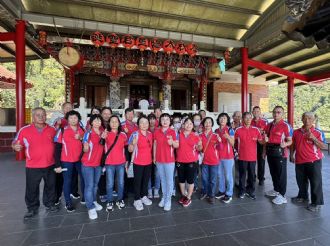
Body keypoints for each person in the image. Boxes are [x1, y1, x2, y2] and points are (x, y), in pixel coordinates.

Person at [12, 107, 58, 219]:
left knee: (51, 186)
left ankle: (50, 204)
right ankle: (32, 208)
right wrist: (15, 146)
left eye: (43, 114)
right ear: (33, 117)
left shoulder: (52, 129)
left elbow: (58, 145)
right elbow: (15, 142)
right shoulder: (24, 130)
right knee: (32, 188)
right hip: (33, 165)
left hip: (50, 164)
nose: (41, 117)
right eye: (38, 115)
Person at [291, 112, 326, 212]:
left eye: (310, 118)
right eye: (305, 118)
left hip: (313, 161)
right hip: (299, 160)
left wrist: (313, 138)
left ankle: (317, 203)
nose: (307, 120)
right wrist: (291, 155)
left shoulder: (318, 132)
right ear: (302, 119)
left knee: (315, 183)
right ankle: (303, 196)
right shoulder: (296, 132)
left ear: (313, 120)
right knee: (301, 181)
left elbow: (324, 147)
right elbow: (293, 144)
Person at [54, 110, 85, 212]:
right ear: (67, 119)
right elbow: (57, 148)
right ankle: (68, 202)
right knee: (67, 181)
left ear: (78, 119)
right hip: (66, 160)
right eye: (71, 118)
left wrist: (80, 138)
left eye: (75, 118)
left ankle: (85, 197)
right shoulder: (62, 130)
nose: (73, 120)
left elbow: (86, 143)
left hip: (80, 160)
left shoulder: (82, 130)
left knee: (84, 178)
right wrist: (57, 164)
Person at [264, 106, 293, 205]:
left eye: (279, 112)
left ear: (282, 114)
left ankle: (282, 195)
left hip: (280, 153)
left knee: (281, 175)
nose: (276, 114)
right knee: (273, 172)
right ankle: (276, 190)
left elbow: (290, 141)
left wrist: (285, 144)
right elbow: (265, 139)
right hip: (270, 151)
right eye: (274, 112)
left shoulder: (285, 126)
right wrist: (264, 152)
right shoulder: (269, 125)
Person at [234, 112, 264, 200]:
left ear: (251, 119)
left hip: (252, 157)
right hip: (242, 157)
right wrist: (235, 153)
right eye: (246, 118)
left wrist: (265, 140)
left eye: (249, 118)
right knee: (242, 175)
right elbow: (233, 142)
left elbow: (260, 141)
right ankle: (242, 191)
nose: (248, 120)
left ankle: (251, 191)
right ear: (243, 119)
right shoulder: (238, 130)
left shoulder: (256, 130)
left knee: (252, 175)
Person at [153, 113, 179, 211]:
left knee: (169, 181)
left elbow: (177, 145)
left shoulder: (173, 132)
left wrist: (172, 142)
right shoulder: (156, 132)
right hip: (159, 160)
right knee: (162, 180)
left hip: (169, 160)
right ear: (160, 121)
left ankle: (168, 200)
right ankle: (164, 197)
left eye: (167, 119)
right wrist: (154, 157)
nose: (165, 121)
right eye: (163, 119)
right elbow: (155, 145)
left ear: (170, 121)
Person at [81, 114, 104, 220]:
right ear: (91, 123)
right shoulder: (88, 133)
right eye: (95, 120)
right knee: (89, 186)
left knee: (95, 185)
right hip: (88, 164)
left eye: (99, 120)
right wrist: (85, 147)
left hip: (98, 164)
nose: (97, 122)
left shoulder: (103, 133)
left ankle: (93, 201)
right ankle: (90, 207)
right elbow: (85, 148)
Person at [128, 116, 153, 211]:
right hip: (138, 162)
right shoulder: (135, 134)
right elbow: (130, 149)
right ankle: (137, 199)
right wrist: (133, 144)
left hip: (148, 162)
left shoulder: (150, 134)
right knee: (137, 182)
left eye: (146, 122)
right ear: (138, 124)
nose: (144, 124)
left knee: (146, 181)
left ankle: (143, 196)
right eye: (142, 122)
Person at [102, 115, 127, 212]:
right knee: (109, 184)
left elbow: (126, 149)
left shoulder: (123, 135)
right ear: (109, 123)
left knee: (120, 183)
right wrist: (103, 137)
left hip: (121, 162)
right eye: (112, 121)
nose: (114, 123)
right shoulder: (106, 133)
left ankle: (120, 200)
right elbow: (100, 145)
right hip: (109, 163)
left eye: (116, 121)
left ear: (119, 123)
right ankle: (109, 201)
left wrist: (127, 162)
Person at [176, 118, 202, 207]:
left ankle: (189, 197)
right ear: (183, 125)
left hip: (192, 161)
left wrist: (200, 146)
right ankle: (183, 195)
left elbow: (199, 148)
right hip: (180, 160)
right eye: (186, 123)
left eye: (190, 123)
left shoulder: (195, 135)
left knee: (190, 180)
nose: (188, 125)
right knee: (181, 179)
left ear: (193, 125)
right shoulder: (178, 134)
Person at [200, 117, 221, 204]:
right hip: (204, 160)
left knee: (212, 179)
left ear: (212, 124)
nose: (207, 124)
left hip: (214, 161)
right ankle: (205, 192)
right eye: (206, 122)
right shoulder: (200, 135)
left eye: (209, 122)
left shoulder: (216, 135)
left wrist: (219, 142)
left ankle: (211, 195)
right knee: (204, 178)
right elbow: (198, 148)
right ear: (203, 124)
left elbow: (220, 148)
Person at [215, 113, 235, 203]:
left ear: (227, 120)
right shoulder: (216, 130)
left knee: (228, 176)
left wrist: (228, 137)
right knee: (220, 175)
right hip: (218, 157)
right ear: (218, 120)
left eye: (224, 118)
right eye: (221, 118)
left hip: (228, 157)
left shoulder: (230, 130)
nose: (222, 120)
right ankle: (221, 191)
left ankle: (229, 194)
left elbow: (233, 144)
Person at [122, 108, 139, 198]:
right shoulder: (122, 125)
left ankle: (132, 187)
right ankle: (125, 190)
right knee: (126, 168)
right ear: (125, 115)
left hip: (135, 150)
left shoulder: (136, 126)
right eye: (128, 114)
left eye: (132, 114)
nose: (130, 115)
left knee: (134, 167)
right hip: (125, 149)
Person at [98, 106, 112, 202]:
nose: (107, 115)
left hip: (110, 153)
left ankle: (110, 190)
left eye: (108, 114)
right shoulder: (97, 124)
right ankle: (102, 192)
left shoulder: (113, 125)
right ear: (101, 114)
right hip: (100, 153)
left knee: (110, 172)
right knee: (101, 173)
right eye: (105, 113)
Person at [251, 106, 268, 185]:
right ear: (252, 112)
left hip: (261, 143)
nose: (256, 112)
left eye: (258, 111)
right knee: (252, 161)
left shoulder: (265, 122)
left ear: (260, 112)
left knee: (261, 161)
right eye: (255, 111)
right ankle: (252, 177)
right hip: (252, 143)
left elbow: (266, 133)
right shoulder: (250, 121)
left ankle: (261, 178)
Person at [147, 113, 160, 199]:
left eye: (153, 119)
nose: (152, 121)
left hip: (158, 155)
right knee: (148, 174)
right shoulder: (145, 129)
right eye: (150, 119)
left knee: (157, 174)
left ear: (156, 120)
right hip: (147, 156)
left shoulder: (158, 130)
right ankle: (149, 190)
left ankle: (156, 189)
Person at [232, 111, 242, 187]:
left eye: (240, 116)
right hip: (232, 148)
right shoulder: (230, 125)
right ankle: (235, 182)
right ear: (233, 117)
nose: (238, 118)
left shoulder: (243, 125)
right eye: (237, 116)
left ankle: (239, 182)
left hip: (241, 148)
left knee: (239, 166)